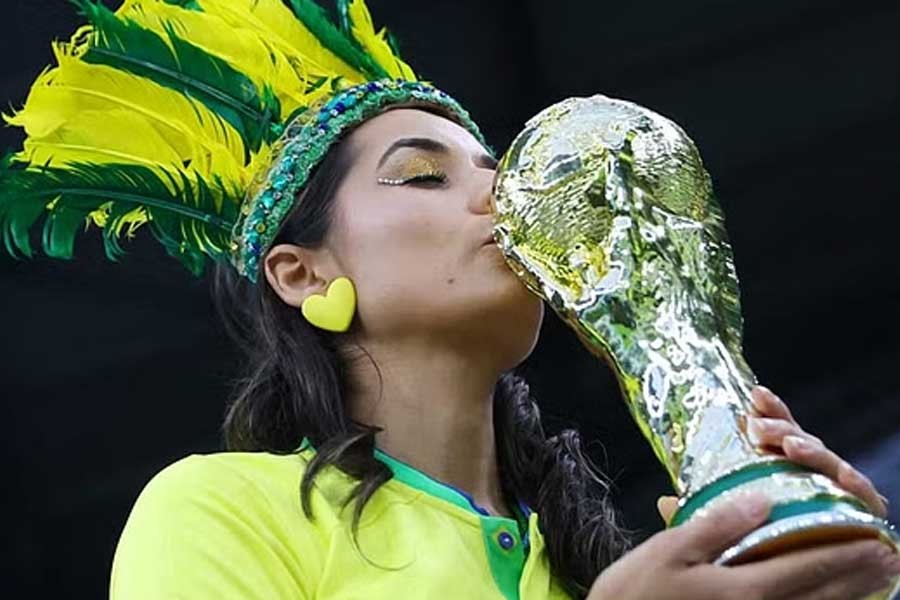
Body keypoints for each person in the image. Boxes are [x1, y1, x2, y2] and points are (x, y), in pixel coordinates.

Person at [1, 1, 896, 599]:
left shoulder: (598, 564)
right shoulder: (217, 508)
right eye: (422, 176)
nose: (506, 199)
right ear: (302, 275)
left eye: (501, 170)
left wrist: (837, 568)